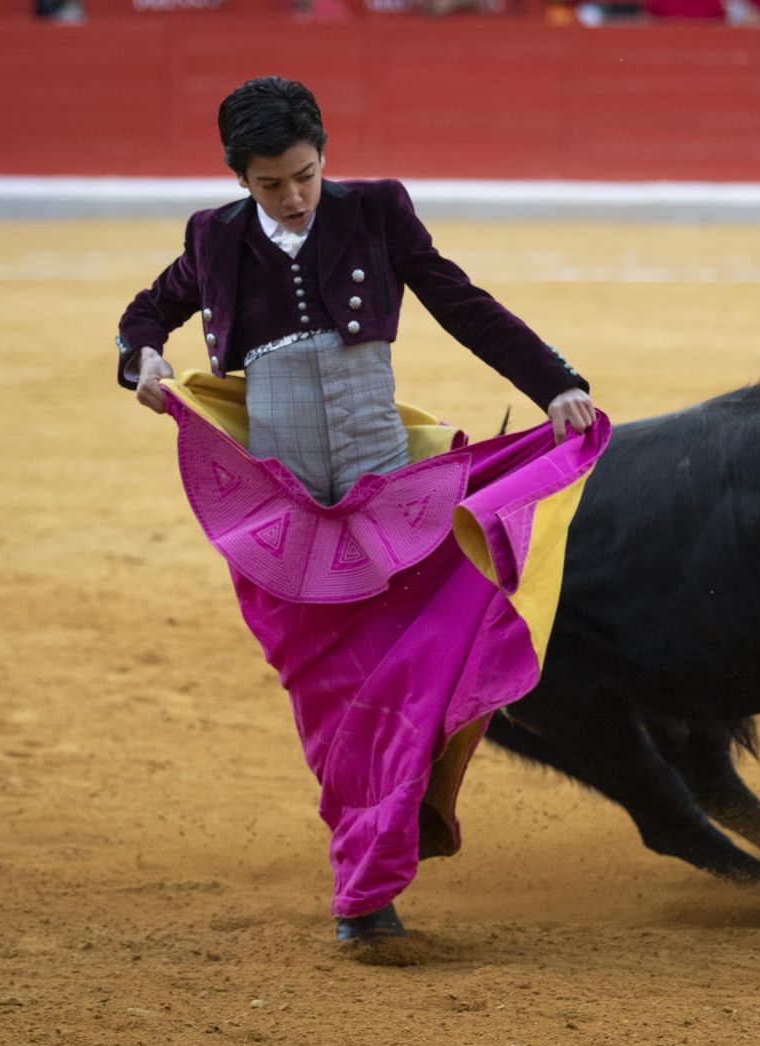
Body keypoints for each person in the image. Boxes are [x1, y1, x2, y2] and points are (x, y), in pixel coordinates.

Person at [114, 76, 604, 961]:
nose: (294, 198)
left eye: (305, 175)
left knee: (422, 667)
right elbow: (149, 313)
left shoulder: (376, 211)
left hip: (394, 500)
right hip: (284, 520)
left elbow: (460, 302)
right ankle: (372, 859)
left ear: (323, 156)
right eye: (271, 184)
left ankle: (375, 872)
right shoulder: (213, 238)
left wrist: (555, 382)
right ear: (240, 179)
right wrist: (143, 357)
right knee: (334, 704)